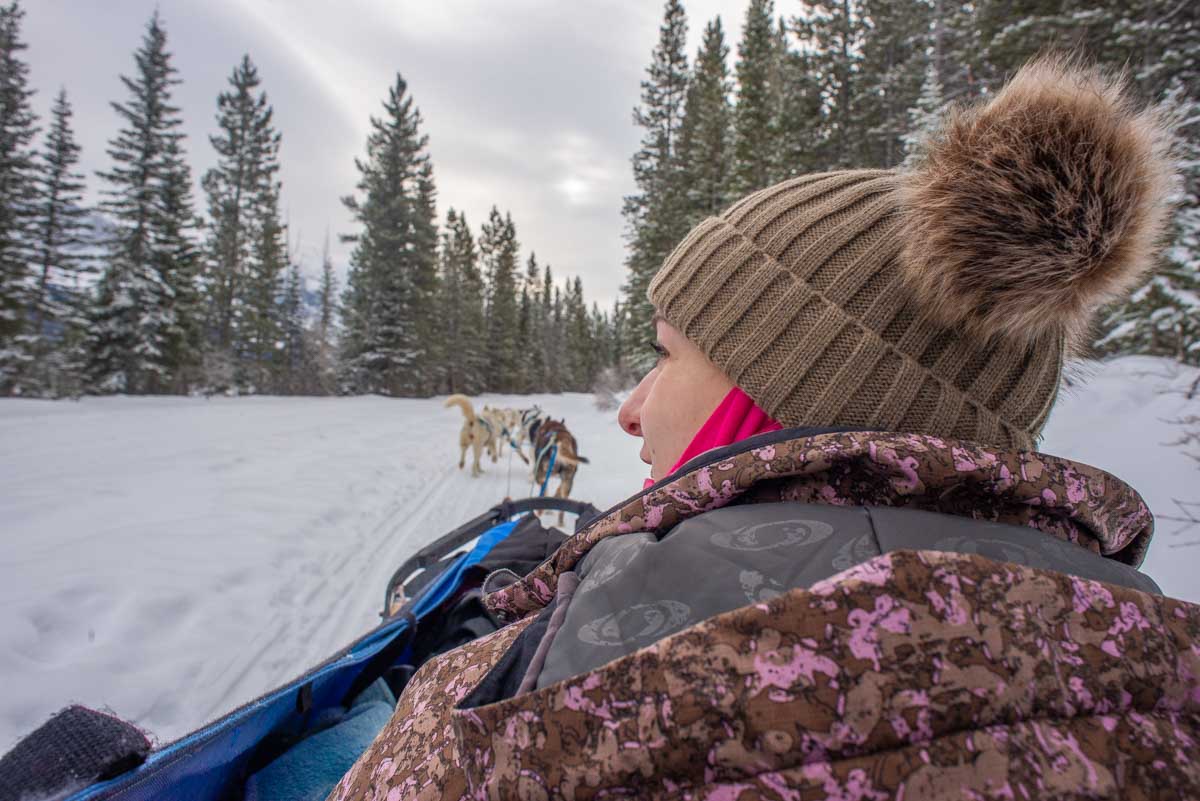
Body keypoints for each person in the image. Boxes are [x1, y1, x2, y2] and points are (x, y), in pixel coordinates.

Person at [328, 57, 1200, 800]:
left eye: (667, 356)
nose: (631, 406)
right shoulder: (1142, 625)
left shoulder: (624, 636)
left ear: (792, 384)